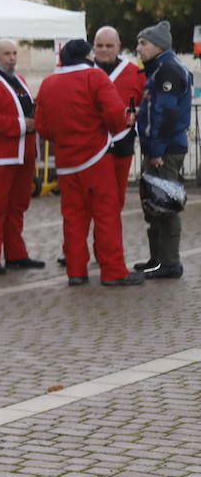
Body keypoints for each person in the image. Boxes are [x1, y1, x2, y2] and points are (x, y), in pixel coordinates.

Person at [34, 39, 142, 286]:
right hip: (95, 156)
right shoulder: (94, 77)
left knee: (73, 217)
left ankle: (76, 270)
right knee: (106, 213)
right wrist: (117, 127)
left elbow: (41, 126)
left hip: (66, 160)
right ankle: (113, 270)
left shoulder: (49, 83)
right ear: (87, 55)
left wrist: (62, 138)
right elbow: (115, 114)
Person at [0, 40, 44, 273]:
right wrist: (23, 124)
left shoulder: (20, 81)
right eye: (6, 54)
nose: (11, 58)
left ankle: (16, 253)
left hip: (22, 153)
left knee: (18, 206)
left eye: (14, 54)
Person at [133, 20, 192, 278]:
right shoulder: (159, 68)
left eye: (143, 43)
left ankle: (169, 263)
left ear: (158, 45)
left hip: (165, 150)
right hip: (160, 147)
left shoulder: (167, 70)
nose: (138, 48)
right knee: (154, 203)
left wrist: (155, 150)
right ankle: (157, 259)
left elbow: (166, 114)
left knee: (165, 203)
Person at [93, 26, 148, 210]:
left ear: (118, 46)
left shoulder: (135, 72)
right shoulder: (83, 71)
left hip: (121, 144)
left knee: (116, 199)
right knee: (91, 201)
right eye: (99, 45)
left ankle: (111, 239)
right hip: (90, 146)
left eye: (109, 45)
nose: (104, 50)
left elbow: (147, 106)